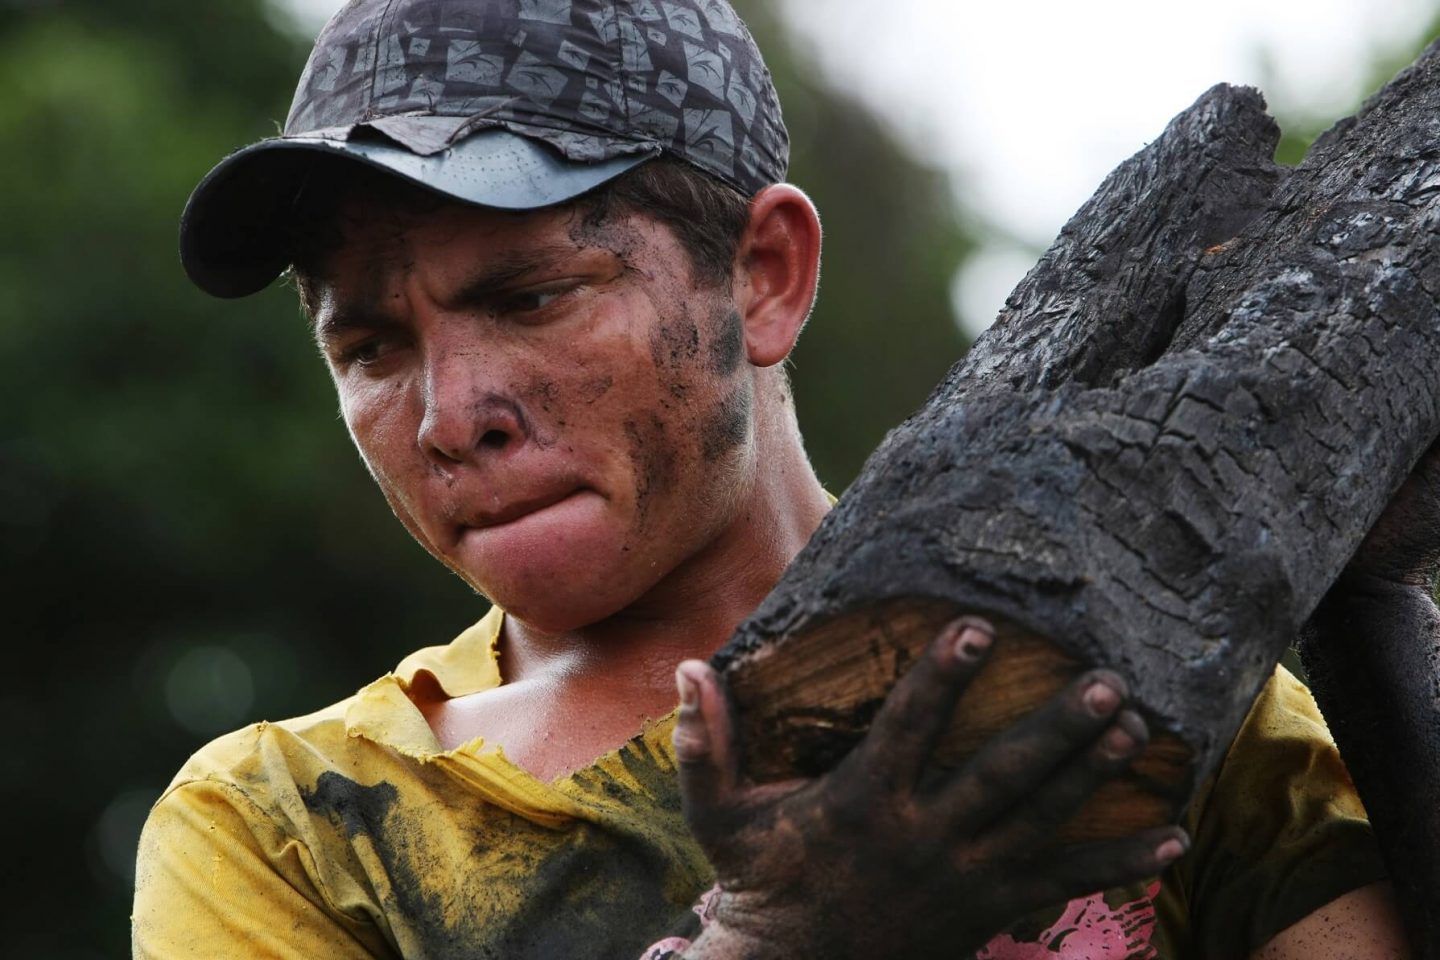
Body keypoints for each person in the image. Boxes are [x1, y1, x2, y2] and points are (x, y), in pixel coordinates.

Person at [133, 1, 1413, 956]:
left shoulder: (1104, 667)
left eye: (530, 296)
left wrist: (1357, 564)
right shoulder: (289, 830)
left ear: (764, 275)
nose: (451, 415)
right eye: (370, 347)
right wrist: (784, 934)